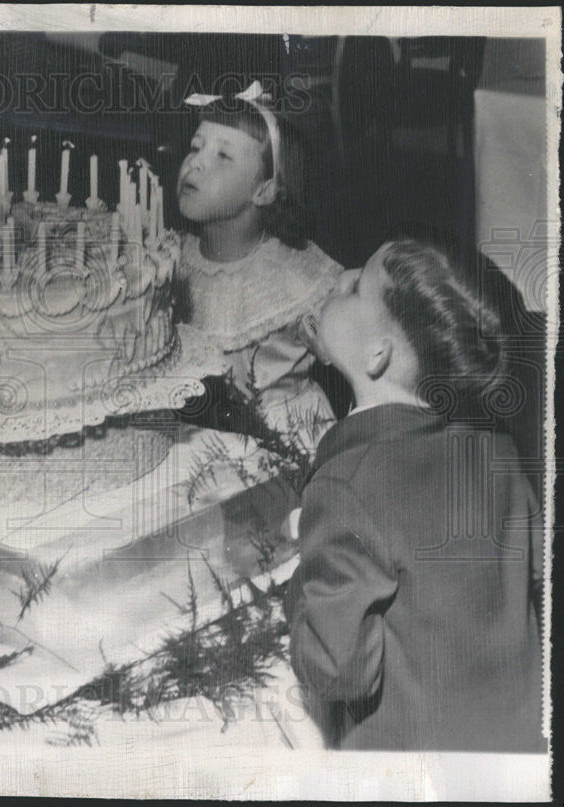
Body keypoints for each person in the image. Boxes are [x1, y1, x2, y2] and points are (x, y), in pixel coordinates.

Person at [285, 233, 545, 752]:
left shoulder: (346, 485)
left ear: (376, 355)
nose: (338, 279)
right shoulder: (499, 454)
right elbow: (530, 576)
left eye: (356, 286)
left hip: (414, 769)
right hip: (519, 756)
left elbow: (338, 671)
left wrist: (298, 585)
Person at [169, 81, 343, 504]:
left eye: (223, 156)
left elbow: (355, 354)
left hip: (287, 448)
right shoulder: (172, 260)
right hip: (199, 447)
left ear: (264, 189)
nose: (196, 164)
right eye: (196, 147)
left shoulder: (292, 276)